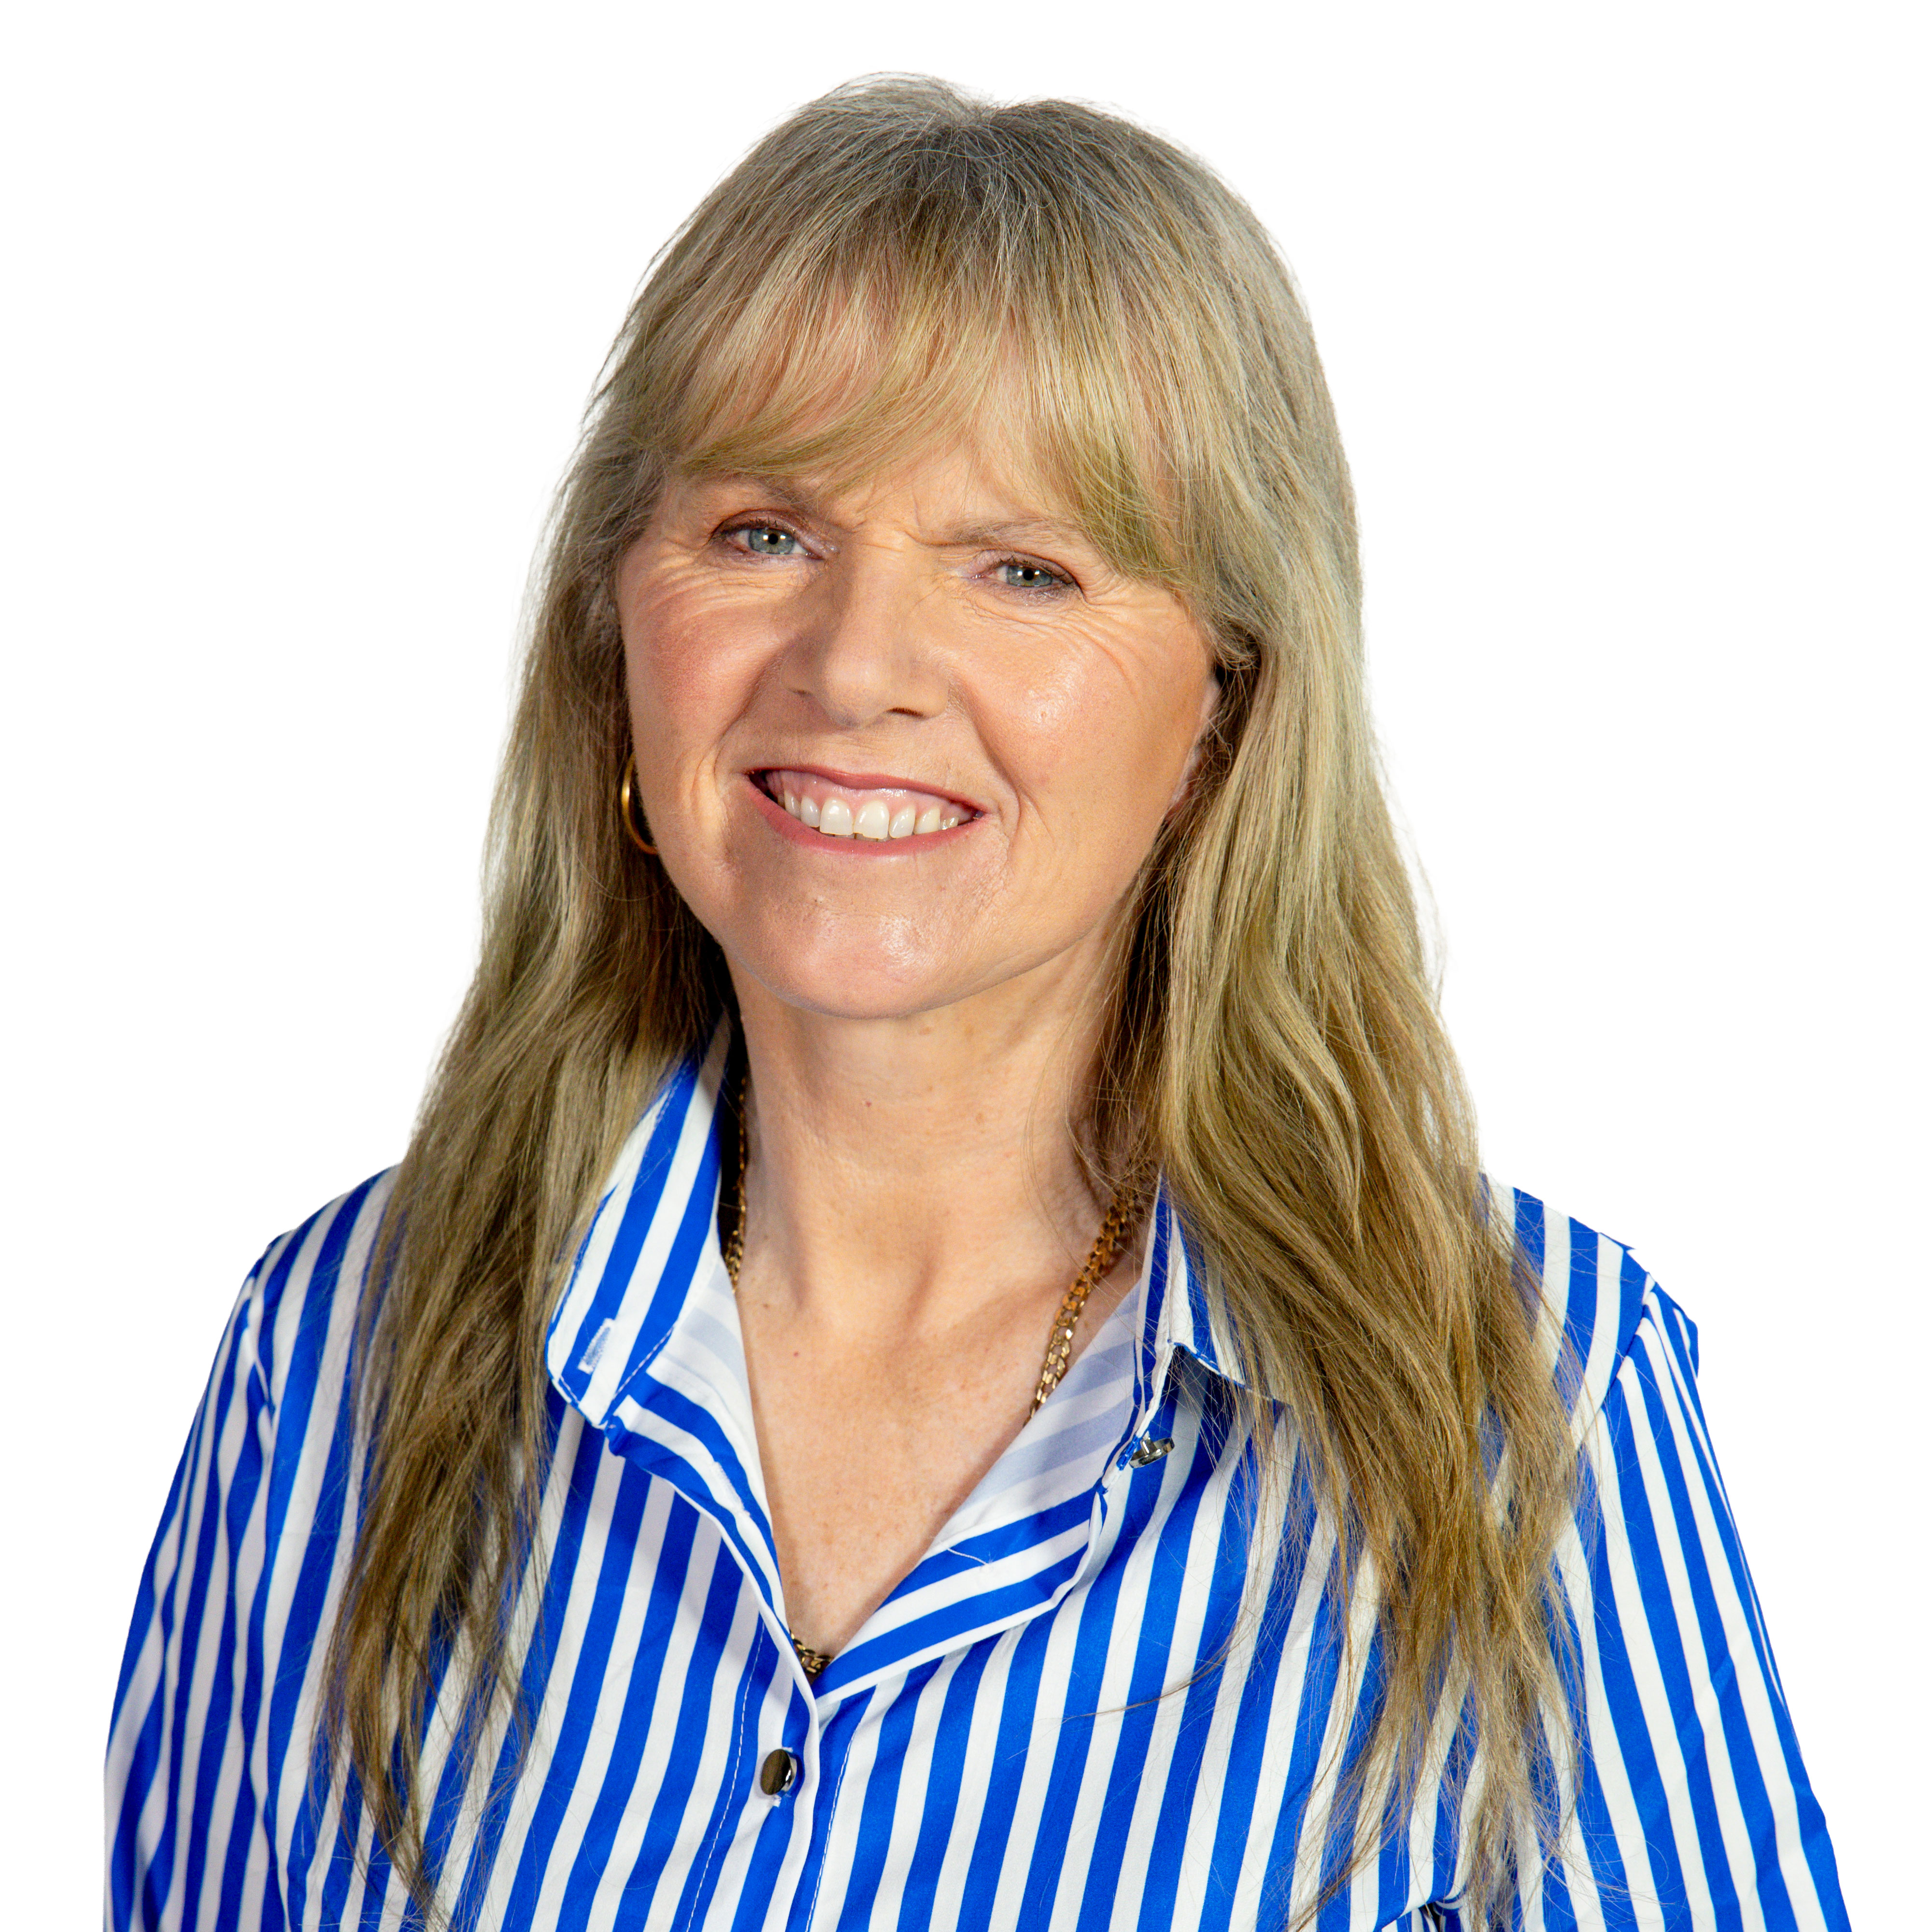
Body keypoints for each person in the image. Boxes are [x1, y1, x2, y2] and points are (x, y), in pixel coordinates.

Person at [106, 76, 1847, 1932]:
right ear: (615, 631)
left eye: (1024, 569)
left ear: (1225, 715)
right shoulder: (332, 1354)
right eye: (764, 532)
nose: (858, 666)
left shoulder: (1526, 1407)